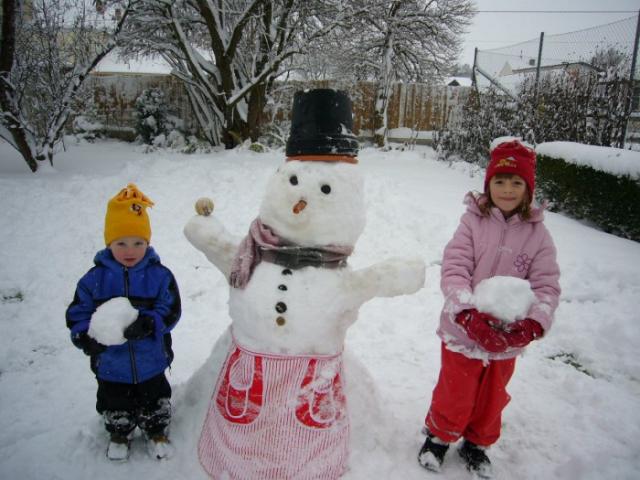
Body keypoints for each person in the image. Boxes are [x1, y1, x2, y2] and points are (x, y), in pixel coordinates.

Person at [417, 140, 561, 479]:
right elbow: (455, 269)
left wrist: (533, 324)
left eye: (516, 182)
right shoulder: (472, 223)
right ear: (488, 184)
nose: (507, 189)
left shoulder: (539, 235)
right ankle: (439, 436)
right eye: (500, 181)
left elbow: (547, 286)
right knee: (456, 390)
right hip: (462, 332)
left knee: (492, 397)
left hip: (507, 337)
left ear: (528, 188)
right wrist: (466, 313)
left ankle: (477, 443)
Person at [66, 183, 181, 461]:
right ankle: (120, 431)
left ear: (148, 243)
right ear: (109, 243)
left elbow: (171, 309)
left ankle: (156, 430)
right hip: (111, 364)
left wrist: (149, 323)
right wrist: (85, 337)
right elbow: (78, 314)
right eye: (121, 243)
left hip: (151, 360)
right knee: (115, 401)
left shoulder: (159, 276)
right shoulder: (94, 280)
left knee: (154, 399)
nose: (130, 250)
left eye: (138, 243)